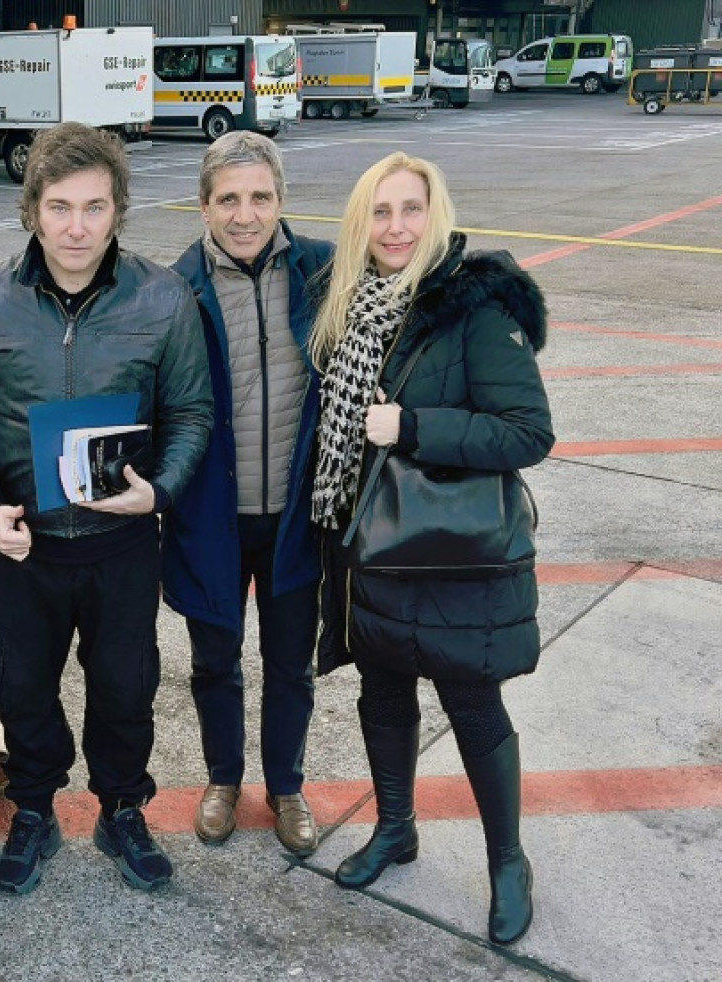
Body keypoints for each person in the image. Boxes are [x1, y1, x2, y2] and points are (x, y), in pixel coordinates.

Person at [0, 122, 214, 895]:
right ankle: (33, 809)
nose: (77, 227)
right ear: (32, 210)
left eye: (94, 207)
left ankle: (122, 809)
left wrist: (161, 492)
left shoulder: (163, 297)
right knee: (19, 686)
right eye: (60, 207)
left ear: (119, 209)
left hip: (122, 543)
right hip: (24, 545)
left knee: (127, 686)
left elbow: (191, 413)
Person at [310, 152, 554, 945]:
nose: (396, 227)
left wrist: (413, 427)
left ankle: (508, 862)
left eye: (411, 209)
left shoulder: (474, 309)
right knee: (381, 695)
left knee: (474, 708)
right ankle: (394, 827)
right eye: (380, 212)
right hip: (370, 543)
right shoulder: (355, 306)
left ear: (436, 213)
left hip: (450, 552)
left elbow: (528, 431)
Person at [162, 132, 333, 854]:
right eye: (228, 199)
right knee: (215, 661)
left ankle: (286, 785)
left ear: (280, 201)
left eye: (259, 197)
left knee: (291, 663)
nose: (245, 214)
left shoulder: (325, 271)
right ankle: (224, 777)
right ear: (204, 206)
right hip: (212, 518)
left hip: (296, 515)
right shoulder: (173, 289)